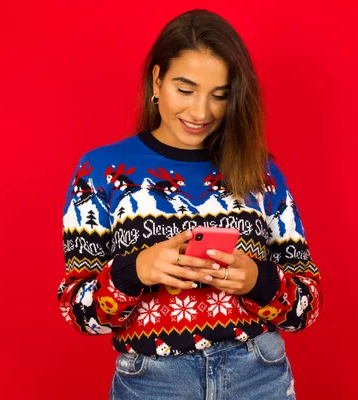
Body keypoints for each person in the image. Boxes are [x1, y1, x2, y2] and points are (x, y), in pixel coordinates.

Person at [58, 9, 323, 399]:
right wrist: (136, 270)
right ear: (157, 80)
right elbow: (79, 314)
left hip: (258, 373)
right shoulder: (99, 172)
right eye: (185, 90)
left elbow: (307, 307)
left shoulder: (260, 171)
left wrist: (257, 280)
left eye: (220, 96)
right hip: (153, 381)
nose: (201, 112)